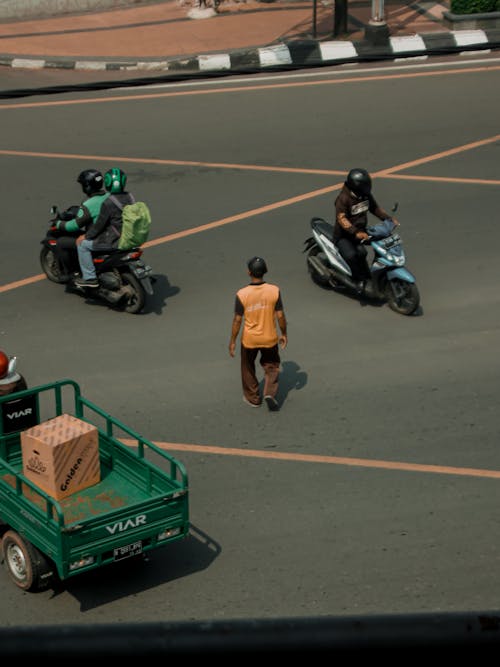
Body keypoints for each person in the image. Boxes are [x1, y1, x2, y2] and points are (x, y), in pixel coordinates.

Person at [229, 257, 287, 411]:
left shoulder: (242, 294)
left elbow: (237, 319)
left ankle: (253, 398)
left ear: (249, 272)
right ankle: (269, 393)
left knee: (247, 367)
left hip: (250, 340)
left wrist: (233, 340)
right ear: (265, 271)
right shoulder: (274, 290)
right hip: (269, 338)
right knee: (272, 366)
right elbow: (280, 315)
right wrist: (284, 333)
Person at [334, 167, 399, 293]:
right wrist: (356, 232)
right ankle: (357, 281)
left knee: (373, 247)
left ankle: (369, 275)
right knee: (353, 255)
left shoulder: (365, 195)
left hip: (361, 231)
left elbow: (375, 208)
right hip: (344, 236)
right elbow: (342, 219)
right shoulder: (343, 199)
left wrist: (389, 219)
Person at [74, 167, 134, 289]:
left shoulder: (108, 202)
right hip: (130, 237)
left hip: (114, 241)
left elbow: (98, 226)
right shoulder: (130, 197)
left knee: (82, 245)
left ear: (107, 183)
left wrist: (85, 236)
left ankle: (90, 278)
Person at [53, 169, 108, 281]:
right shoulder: (109, 196)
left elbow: (74, 226)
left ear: (87, 186)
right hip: (112, 235)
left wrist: (59, 224)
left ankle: (70, 274)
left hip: (98, 239)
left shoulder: (88, 204)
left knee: (61, 243)